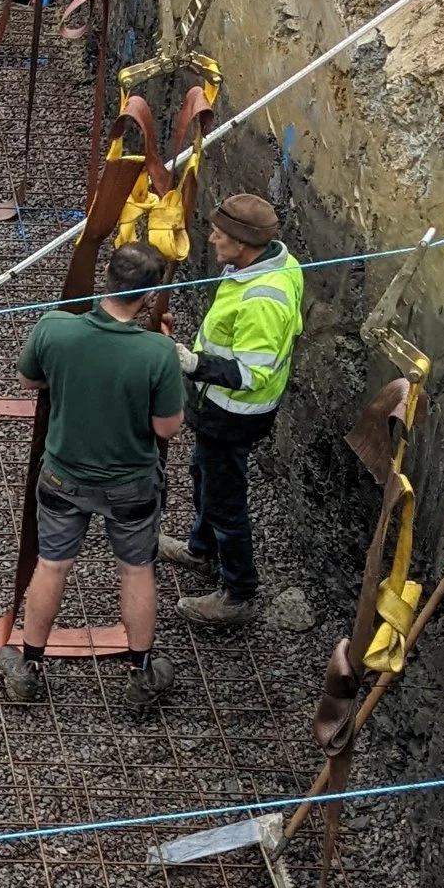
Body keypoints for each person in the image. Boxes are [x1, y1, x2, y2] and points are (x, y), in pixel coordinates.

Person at [0, 237, 183, 716]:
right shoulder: (158, 353)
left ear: (109, 279)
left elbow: (28, 379)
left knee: (52, 564)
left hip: (64, 477)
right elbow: (168, 427)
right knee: (136, 569)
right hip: (132, 484)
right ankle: (141, 673)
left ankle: (29, 665)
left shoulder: (54, 328)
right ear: (147, 294)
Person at [164, 191, 305, 628]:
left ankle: (239, 593)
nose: (210, 239)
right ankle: (200, 551)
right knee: (204, 474)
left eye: (219, 234)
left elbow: (251, 373)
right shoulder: (266, 264)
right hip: (218, 410)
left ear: (243, 244)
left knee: (227, 502)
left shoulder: (263, 299)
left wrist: (191, 362)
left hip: (234, 413)